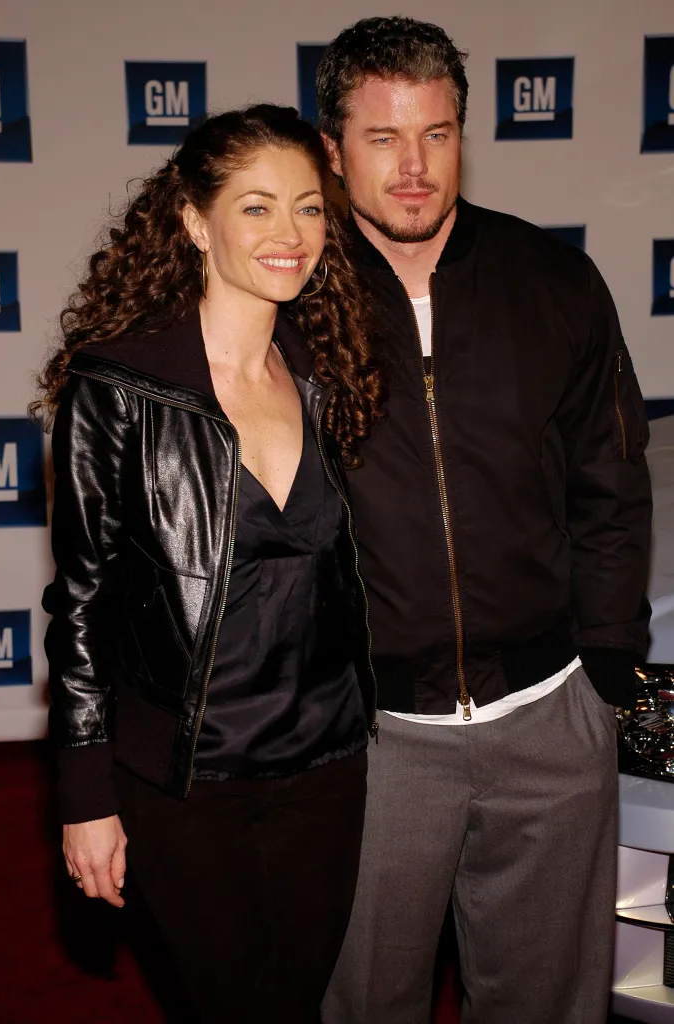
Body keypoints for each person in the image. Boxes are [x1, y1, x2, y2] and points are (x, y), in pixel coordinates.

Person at [316, 17, 653, 1024]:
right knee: (361, 1004)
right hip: (368, 741)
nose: (413, 167)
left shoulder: (551, 282)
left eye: (436, 133)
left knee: (547, 1006)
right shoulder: (291, 300)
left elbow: (608, 479)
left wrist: (602, 662)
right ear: (331, 151)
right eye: (381, 138)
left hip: (548, 720)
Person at [37, 104, 384, 1024]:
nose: (290, 235)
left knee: (298, 1002)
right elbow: (81, 604)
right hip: (188, 775)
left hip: (325, 766)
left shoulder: (326, 368)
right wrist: (84, 794)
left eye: (310, 209)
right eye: (257, 207)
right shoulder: (119, 386)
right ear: (195, 221)